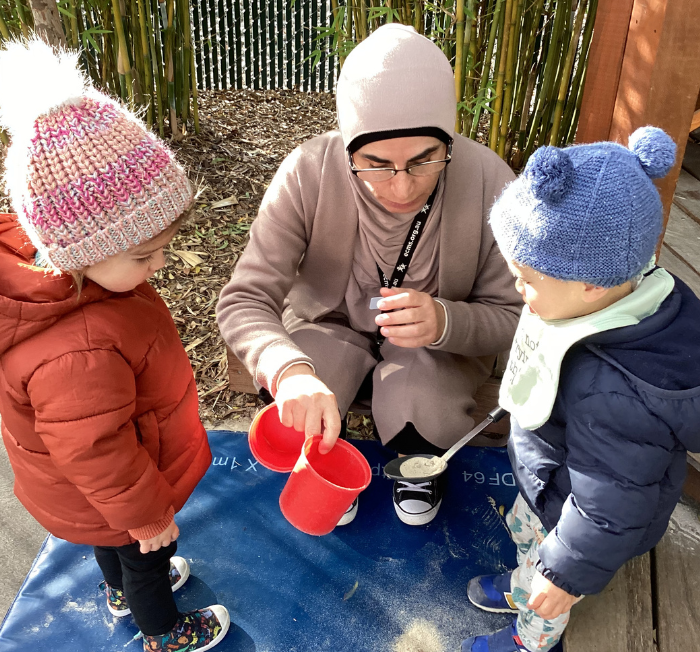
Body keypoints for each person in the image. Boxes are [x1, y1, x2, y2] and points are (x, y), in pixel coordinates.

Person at [0, 39, 229, 652]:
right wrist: (146, 515)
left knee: (112, 543)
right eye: (145, 253)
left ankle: (120, 588)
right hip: (118, 490)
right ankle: (163, 632)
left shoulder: (88, 292)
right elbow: (98, 450)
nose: (162, 263)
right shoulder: (77, 349)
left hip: (94, 499)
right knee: (145, 551)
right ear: (77, 248)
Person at [217, 24, 522, 526]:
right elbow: (245, 298)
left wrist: (446, 322)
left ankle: (417, 465)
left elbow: (516, 314)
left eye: (425, 160)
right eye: (375, 163)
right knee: (315, 373)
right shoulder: (308, 172)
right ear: (348, 147)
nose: (401, 186)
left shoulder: (489, 180)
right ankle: (326, 464)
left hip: (438, 351)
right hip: (328, 324)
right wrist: (286, 370)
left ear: (449, 139)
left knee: (421, 394)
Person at [460, 127, 700, 652]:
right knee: (528, 537)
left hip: (578, 514)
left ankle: (530, 636)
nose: (518, 290)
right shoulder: (621, 291)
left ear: (590, 283)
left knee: (548, 585)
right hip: (556, 478)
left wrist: (564, 574)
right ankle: (527, 578)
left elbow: (610, 503)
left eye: (527, 278)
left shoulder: (611, 393)